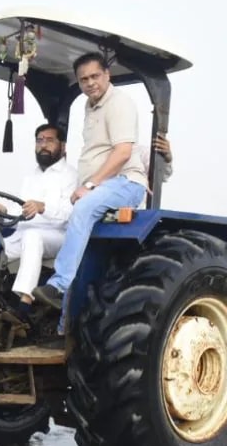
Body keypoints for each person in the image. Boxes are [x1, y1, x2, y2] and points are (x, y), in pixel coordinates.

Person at [31, 52, 149, 311]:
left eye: (95, 76)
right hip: (103, 186)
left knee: (82, 208)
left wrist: (90, 185)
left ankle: (58, 286)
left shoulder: (119, 103)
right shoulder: (90, 105)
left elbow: (122, 152)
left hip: (124, 183)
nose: (90, 83)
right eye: (83, 79)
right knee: (64, 221)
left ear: (107, 74)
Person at [0, 122, 79, 322]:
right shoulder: (30, 177)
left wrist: (43, 207)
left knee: (33, 237)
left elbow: (70, 213)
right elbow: (22, 209)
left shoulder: (72, 176)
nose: (43, 145)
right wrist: (4, 211)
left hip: (58, 236)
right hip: (24, 232)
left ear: (63, 146)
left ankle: (24, 306)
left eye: (50, 140)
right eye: (39, 140)